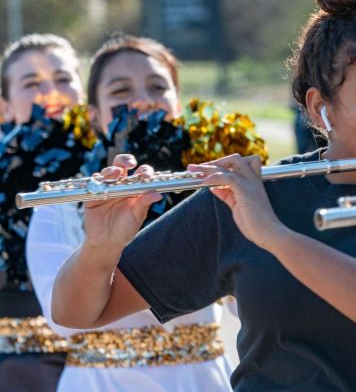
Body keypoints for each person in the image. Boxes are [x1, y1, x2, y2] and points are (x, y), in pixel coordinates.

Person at [49, 0, 356, 391]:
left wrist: (276, 237)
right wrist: (101, 247)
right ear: (320, 108)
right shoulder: (253, 197)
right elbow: (80, 311)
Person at [26, 35, 233, 391]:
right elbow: (64, 320)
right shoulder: (60, 203)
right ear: (93, 115)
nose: (142, 100)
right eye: (120, 91)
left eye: (157, 87)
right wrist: (101, 245)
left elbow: (257, 305)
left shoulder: (216, 192)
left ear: (178, 104)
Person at [0, 34, 84, 391]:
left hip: (111, 360)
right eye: (32, 83)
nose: (51, 93)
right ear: (4, 106)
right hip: (16, 363)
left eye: (63, 79)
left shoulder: (121, 161)